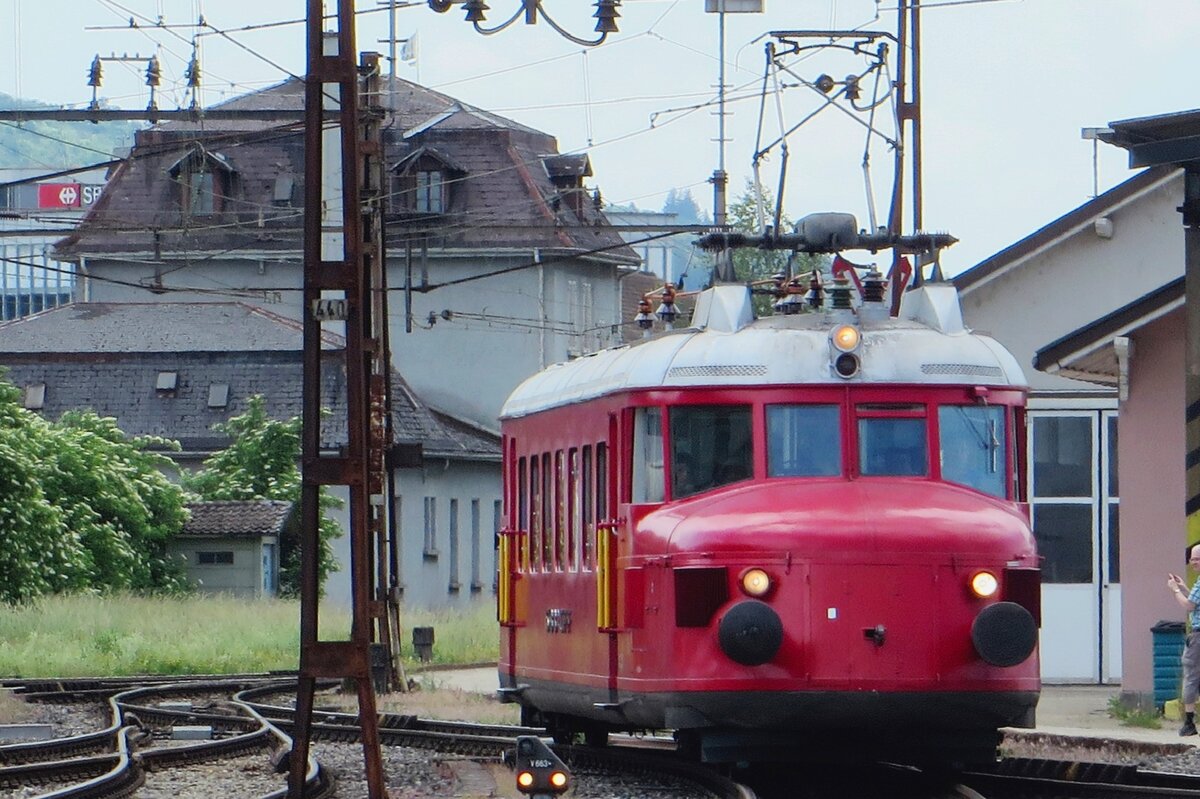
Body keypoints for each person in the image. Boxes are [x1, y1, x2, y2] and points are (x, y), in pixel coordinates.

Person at [1167, 543, 1200, 736]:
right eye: (1192, 559)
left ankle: (1189, 722)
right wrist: (1184, 588)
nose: (1193, 563)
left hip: (1198, 637)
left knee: (1191, 675)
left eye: (1197, 559)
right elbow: (1196, 601)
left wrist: (1175, 590)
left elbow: (1189, 606)